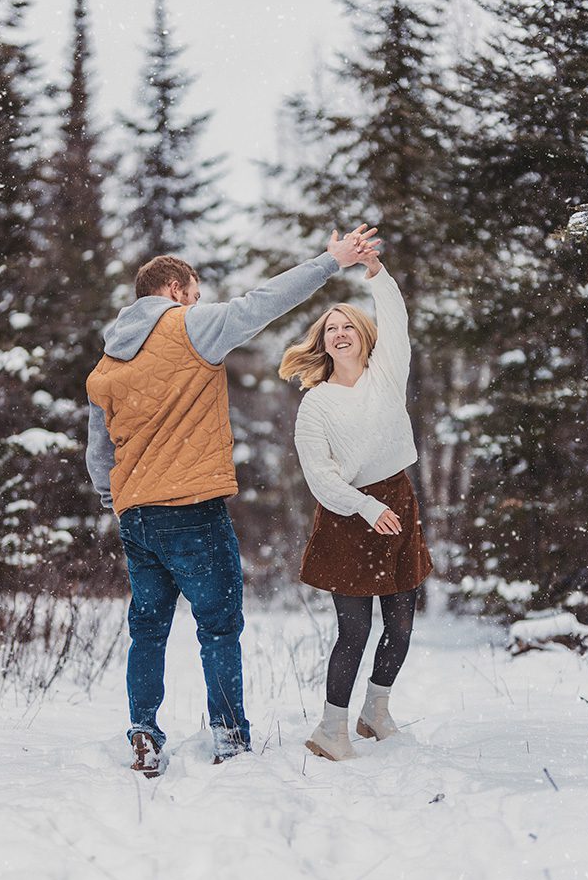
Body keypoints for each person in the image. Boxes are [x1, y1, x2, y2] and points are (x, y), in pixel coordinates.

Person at [85, 226, 380, 775]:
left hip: (137, 515)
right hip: (192, 510)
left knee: (148, 629)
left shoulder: (107, 363)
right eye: (194, 293)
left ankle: (144, 733)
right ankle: (228, 735)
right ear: (175, 289)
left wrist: (119, 500)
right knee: (218, 626)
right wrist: (330, 262)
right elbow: (262, 303)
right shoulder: (188, 325)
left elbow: (99, 449)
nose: (199, 303)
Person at [279, 244, 433, 761]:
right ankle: (330, 729)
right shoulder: (315, 404)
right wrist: (367, 508)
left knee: (403, 624)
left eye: (348, 326)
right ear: (322, 343)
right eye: (330, 329)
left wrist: (377, 272)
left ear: (364, 338)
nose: (339, 333)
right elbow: (321, 480)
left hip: (399, 500)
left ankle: (376, 711)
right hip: (349, 515)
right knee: (355, 630)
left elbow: (396, 317)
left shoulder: (387, 374)